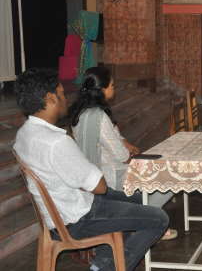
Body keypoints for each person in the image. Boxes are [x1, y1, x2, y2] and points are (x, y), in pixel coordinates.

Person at [13, 69, 169, 271]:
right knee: (158, 218)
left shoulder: (23, 135)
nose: (65, 100)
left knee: (139, 202)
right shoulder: (56, 142)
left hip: (58, 213)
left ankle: (101, 263)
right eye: (61, 95)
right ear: (50, 98)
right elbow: (99, 187)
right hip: (78, 218)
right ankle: (109, 268)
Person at [69, 67, 178, 240]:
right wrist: (134, 159)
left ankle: (142, 217)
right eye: (111, 85)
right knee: (171, 177)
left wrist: (125, 143)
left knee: (158, 170)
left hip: (92, 173)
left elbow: (111, 137)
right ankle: (148, 220)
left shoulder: (79, 113)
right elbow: (120, 156)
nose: (114, 88)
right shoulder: (98, 116)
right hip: (110, 175)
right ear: (102, 89)